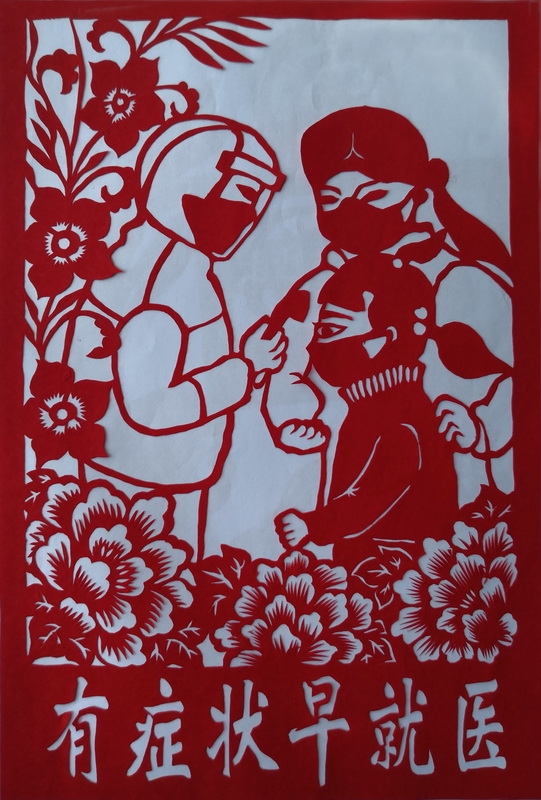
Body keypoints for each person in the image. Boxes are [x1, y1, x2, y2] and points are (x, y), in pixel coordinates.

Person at [262, 106, 513, 506]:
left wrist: (481, 426)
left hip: (438, 461)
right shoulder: (319, 288)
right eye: (331, 200)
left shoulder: (454, 278)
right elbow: (285, 364)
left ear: (417, 195)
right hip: (351, 455)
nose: (352, 211)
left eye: (375, 194)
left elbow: (514, 369)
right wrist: (293, 417)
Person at [60, 116, 287, 558]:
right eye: (245, 193)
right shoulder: (163, 282)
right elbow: (153, 407)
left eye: (259, 201)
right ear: (193, 182)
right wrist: (245, 368)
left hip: (146, 471)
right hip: (147, 479)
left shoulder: (160, 259)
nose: (251, 214)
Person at [275, 256, 459, 568]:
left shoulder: (399, 415)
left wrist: (313, 526)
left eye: (330, 329)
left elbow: (373, 493)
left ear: (381, 341)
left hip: (396, 570)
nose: (313, 346)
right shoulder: (372, 406)